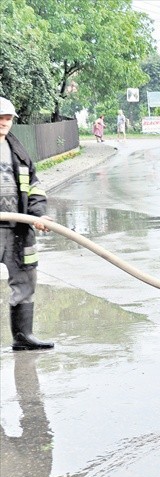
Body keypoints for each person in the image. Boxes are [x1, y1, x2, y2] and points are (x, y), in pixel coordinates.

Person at [0, 96, 54, 351]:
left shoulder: (18, 151)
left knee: (26, 279)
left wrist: (38, 214)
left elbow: (34, 186)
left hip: (17, 230)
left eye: (8, 118)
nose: (4, 123)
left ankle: (23, 336)